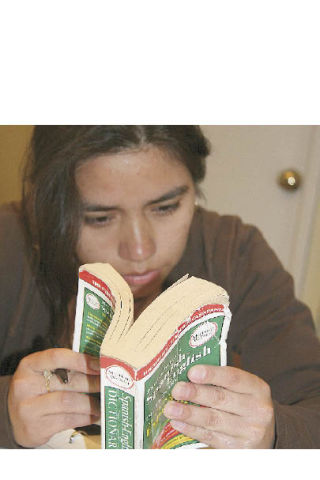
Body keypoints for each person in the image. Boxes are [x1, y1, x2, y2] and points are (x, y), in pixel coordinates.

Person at [0, 125, 319, 449]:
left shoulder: (235, 254)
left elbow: (312, 407)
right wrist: (5, 414)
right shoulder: (8, 246)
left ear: (194, 190)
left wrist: (276, 433)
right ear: (48, 207)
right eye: (99, 218)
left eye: (165, 208)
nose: (140, 251)